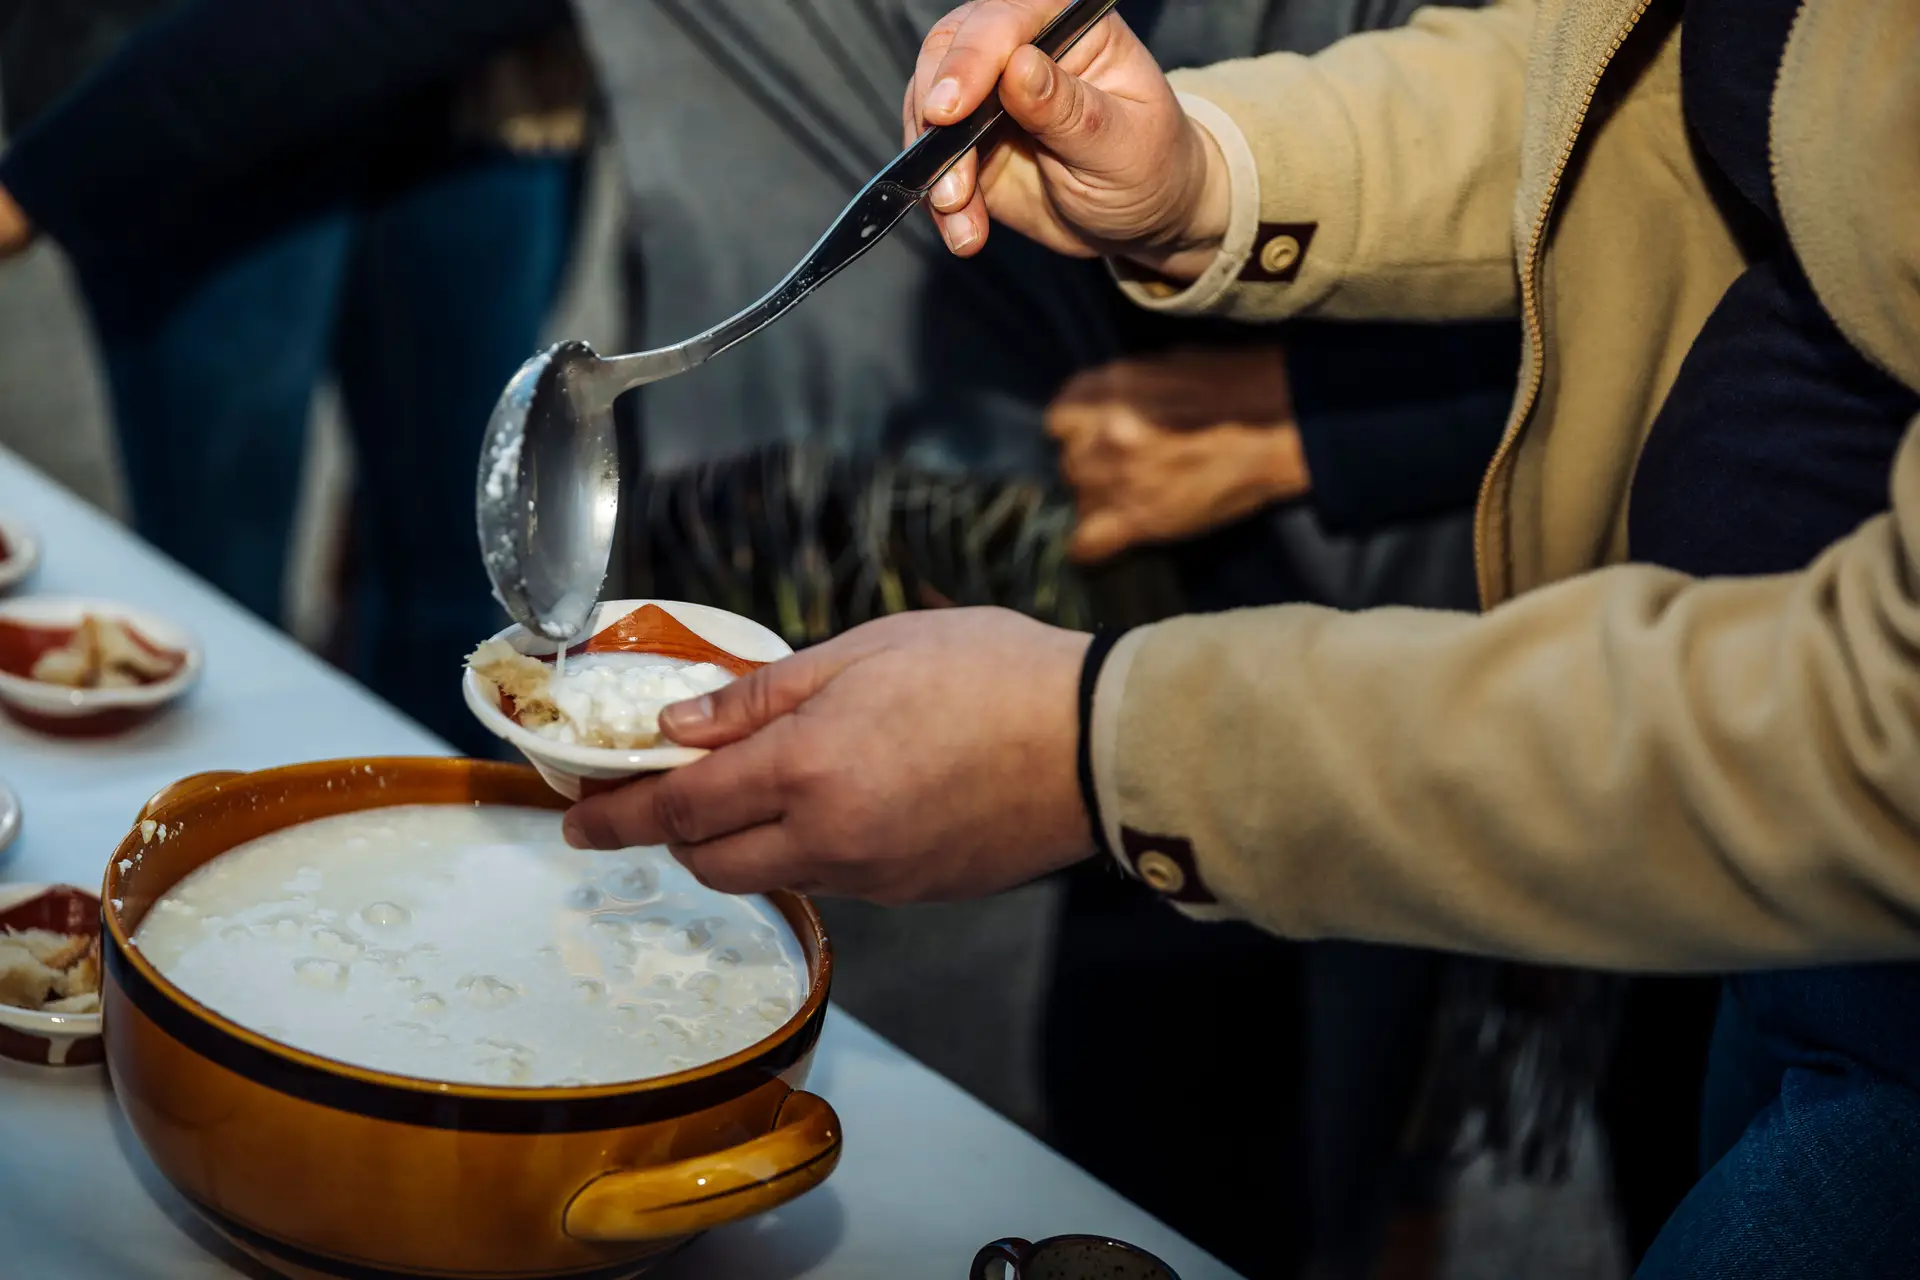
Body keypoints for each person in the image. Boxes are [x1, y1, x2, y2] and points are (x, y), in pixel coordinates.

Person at [557, 1, 1920, 1274]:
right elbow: (1641, 77)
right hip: (1756, 902)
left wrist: (1106, 751)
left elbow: (1878, 732)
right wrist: (1209, 174)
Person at [0, 3, 589, 754]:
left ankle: (447, 852)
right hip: (168, 71)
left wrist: (39, 184)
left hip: (481, 86)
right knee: (210, 613)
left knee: (462, 584)